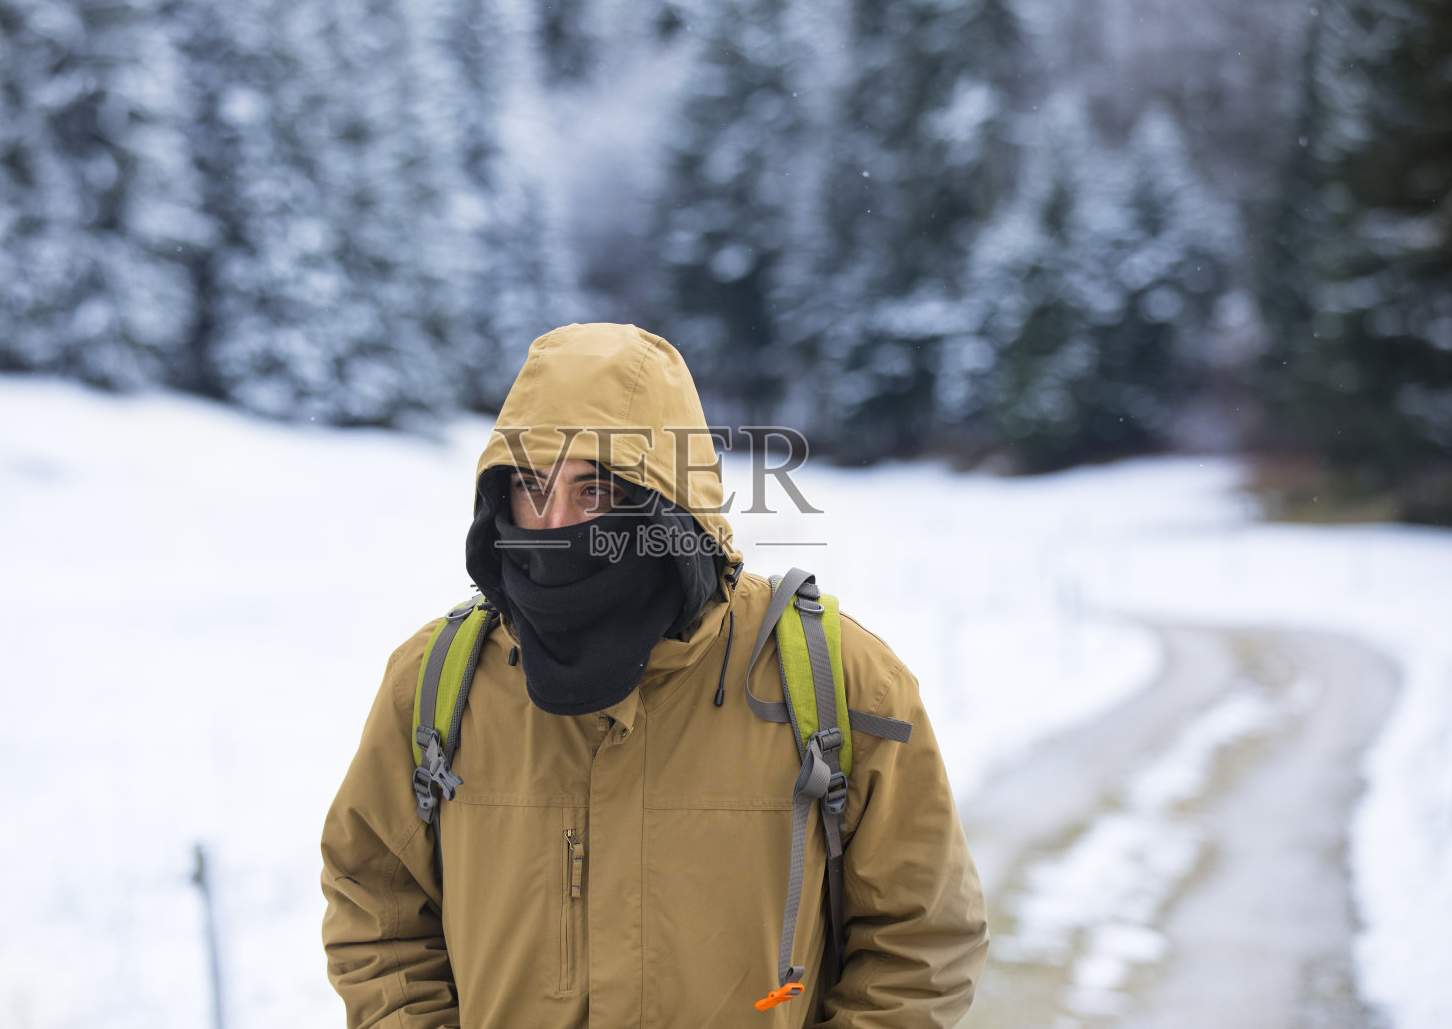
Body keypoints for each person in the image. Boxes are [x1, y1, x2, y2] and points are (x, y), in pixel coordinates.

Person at [320, 323, 987, 1028]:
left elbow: (921, 939)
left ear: (669, 506)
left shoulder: (840, 682)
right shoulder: (435, 682)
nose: (553, 524)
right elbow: (378, 908)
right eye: (531, 485)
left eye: (596, 490)